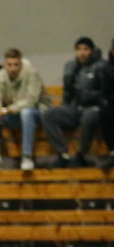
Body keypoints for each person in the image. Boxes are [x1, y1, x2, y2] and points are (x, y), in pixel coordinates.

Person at [0, 49, 51, 171]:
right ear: (5, 64)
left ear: (21, 64)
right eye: (9, 65)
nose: (13, 68)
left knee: (26, 113)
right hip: (15, 115)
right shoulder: (0, 76)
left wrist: (6, 110)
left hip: (39, 114)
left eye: (16, 65)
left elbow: (31, 100)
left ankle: (27, 156)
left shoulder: (31, 73)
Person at [41, 37, 112, 167]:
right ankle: (63, 154)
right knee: (48, 114)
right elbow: (67, 93)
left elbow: (107, 92)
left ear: (92, 50)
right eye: (79, 49)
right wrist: (64, 107)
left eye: (85, 49)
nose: (82, 53)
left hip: (94, 108)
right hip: (75, 108)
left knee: (89, 116)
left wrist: (91, 97)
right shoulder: (71, 67)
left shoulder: (102, 66)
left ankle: (80, 154)